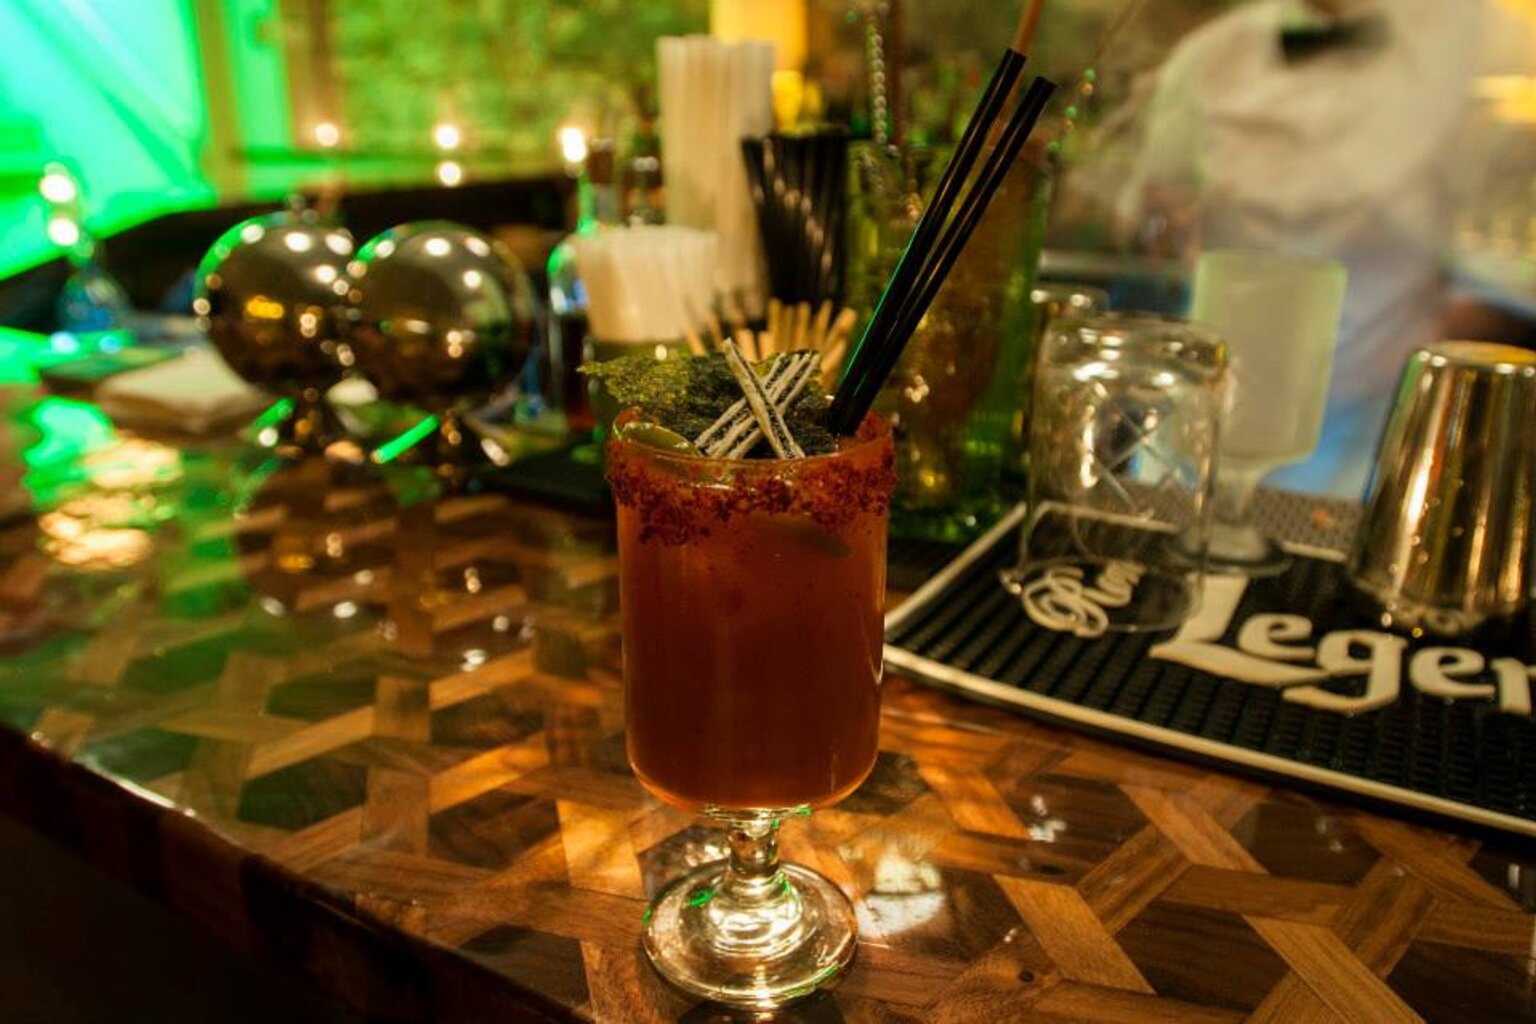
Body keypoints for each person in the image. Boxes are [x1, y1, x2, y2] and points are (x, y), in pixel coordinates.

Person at [1118, 0, 1533, 497]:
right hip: (1194, 445)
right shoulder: (1212, 54)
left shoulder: (1495, 48)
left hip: (1373, 456)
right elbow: (1154, 224)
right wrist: (1161, 222)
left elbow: (1503, 288)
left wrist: (1418, 421)